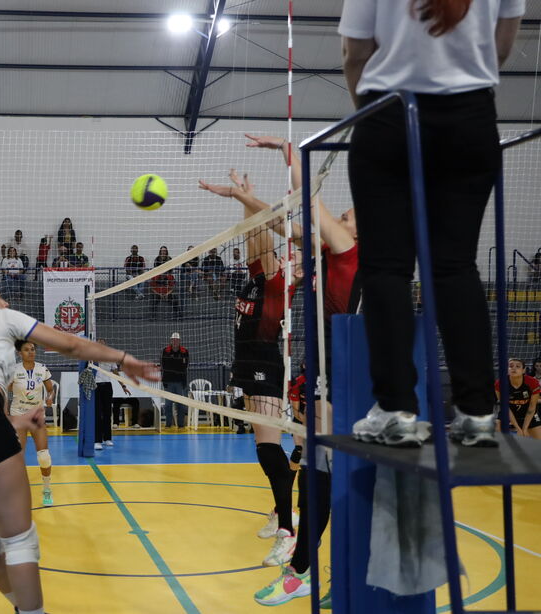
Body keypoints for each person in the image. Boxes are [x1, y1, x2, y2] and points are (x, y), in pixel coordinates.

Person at [0, 258, 159, 614]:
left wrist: (13, 422)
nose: (5, 303)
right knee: (19, 540)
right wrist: (122, 358)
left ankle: (22, 608)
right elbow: (71, 345)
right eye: (0, 297)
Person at [341, 0, 523, 449]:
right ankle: (478, 413)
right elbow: (501, 46)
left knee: (387, 267)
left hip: (389, 112)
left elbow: (355, 53)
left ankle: (396, 411)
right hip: (472, 118)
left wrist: (366, 113)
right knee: (455, 266)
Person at [202, 135, 359, 605]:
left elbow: (308, 203)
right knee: (319, 469)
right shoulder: (328, 253)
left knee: (324, 472)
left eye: (348, 216)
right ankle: (313, 566)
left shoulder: (348, 250)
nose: (342, 217)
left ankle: (302, 566)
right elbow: (280, 221)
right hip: (324, 368)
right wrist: (243, 200)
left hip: (344, 371)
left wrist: (289, 151)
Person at [9, 341, 56, 506]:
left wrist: (50, 397)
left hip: (36, 415)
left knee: (44, 456)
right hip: (18, 415)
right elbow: (3, 390)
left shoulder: (42, 369)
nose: (31, 352)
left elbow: (50, 389)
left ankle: (47, 489)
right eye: (26, 350)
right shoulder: (14, 370)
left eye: (33, 349)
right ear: (20, 353)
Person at [93, 339, 129, 450]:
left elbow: (115, 373)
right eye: (99, 343)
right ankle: (97, 440)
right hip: (96, 387)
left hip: (107, 386)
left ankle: (107, 438)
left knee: (108, 413)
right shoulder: (91, 357)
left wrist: (123, 385)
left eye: (103, 344)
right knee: (98, 414)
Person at [496, 358, 541, 439]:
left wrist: (524, 429)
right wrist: (517, 428)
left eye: (518, 366)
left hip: (528, 415)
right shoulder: (499, 384)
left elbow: (531, 408)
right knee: (497, 427)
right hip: (508, 413)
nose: (514, 368)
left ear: (523, 370)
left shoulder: (533, 382)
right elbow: (506, 408)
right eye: (511, 366)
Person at [160, 333, 189, 428]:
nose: (175, 341)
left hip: (180, 382)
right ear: (171, 341)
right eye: (173, 340)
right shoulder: (166, 351)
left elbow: (185, 367)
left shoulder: (185, 351)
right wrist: (164, 380)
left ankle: (181, 425)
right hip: (168, 382)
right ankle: (168, 424)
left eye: (177, 340)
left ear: (179, 341)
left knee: (181, 405)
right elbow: (164, 366)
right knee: (168, 405)